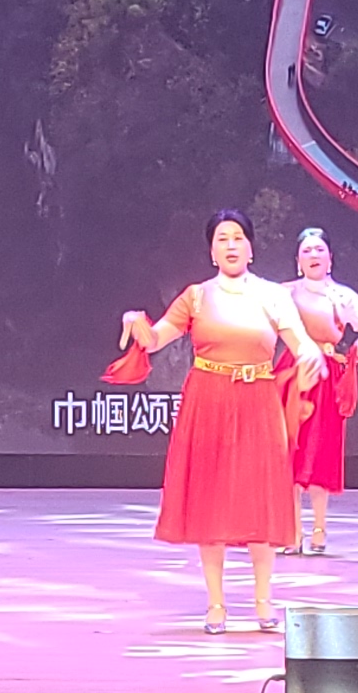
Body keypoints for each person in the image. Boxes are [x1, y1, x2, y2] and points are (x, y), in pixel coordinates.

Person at [119, 210, 327, 633]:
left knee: (260, 500)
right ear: (212, 252)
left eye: (237, 237)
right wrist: (137, 325)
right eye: (221, 239)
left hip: (258, 402)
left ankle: (263, 600)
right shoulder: (196, 297)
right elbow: (156, 339)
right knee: (210, 501)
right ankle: (216, 603)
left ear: (250, 248)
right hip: (209, 402)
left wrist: (312, 358)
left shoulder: (272, 295)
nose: (231, 245)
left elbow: (302, 343)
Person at [280, 226, 358, 557]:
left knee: (320, 450)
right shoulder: (283, 293)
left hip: (326, 377)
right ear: (297, 260)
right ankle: (292, 531)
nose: (313, 255)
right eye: (307, 251)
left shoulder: (343, 297)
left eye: (319, 250)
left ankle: (319, 529)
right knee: (290, 451)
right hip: (293, 373)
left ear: (330, 258)